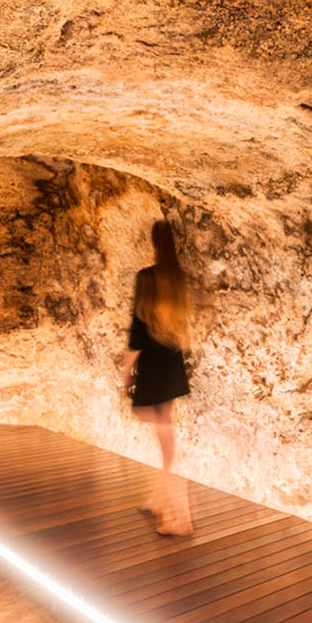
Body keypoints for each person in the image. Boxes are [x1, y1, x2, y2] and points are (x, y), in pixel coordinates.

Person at [121, 220, 194, 536]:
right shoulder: (177, 278)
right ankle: (156, 500)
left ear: (152, 242)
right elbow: (183, 334)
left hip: (152, 363)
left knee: (167, 447)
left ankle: (181, 520)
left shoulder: (146, 277)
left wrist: (126, 373)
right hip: (171, 362)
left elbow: (137, 330)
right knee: (163, 431)